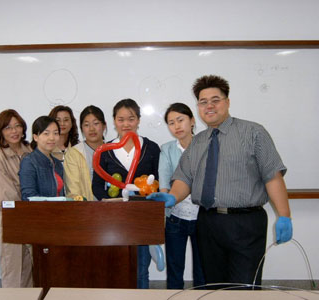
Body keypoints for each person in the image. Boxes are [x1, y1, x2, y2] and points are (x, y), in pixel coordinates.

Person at [148, 75, 292, 288]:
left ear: (227, 102)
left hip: (246, 223)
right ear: (198, 107)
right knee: (214, 288)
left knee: (244, 287)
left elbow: (272, 176)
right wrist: (171, 197)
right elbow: (184, 178)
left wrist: (284, 216)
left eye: (215, 99)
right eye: (203, 102)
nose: (209, 106)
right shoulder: (197, 142)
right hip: (208, 224)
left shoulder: (253, 132)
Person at [92, 98, 160, 289]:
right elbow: (97, 186)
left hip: (142, 219)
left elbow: (158, 182)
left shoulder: (152, 148)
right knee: (115, 267)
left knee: (141, 269)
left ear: (138, 120)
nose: (126, 124)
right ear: (114, 121)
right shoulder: (105, 151)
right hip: (114, 219)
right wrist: (108, 201)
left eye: (131, 119)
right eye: (121, 119)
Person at [159, 103, 204, 289]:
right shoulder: (167, 149)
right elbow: (164, 184)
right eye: (171, 123)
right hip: (175, 217)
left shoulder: (206, 145)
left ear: (192, 121)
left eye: (180, 120)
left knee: (202, 271)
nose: (177, 126)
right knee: (175, 270)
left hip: (203, 217)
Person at [0, 109, 33, 287]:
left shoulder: (30, 151)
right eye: (8, 128)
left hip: (33, 217)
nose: (14, 131)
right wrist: (31, 199)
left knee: (31, 269)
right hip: (11, 217)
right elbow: (6, 193)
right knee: (13, 269)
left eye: (17, 126)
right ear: (1, 132)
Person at [64, 105, 106, 201]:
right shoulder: (74, 153)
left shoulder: (113, 151)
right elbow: (73, 190)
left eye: (96, 123)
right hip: (84, 210)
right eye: (86, 125)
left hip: (112, 209)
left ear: (104, 125)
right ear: (82, 128)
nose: (91, 129)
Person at [19, 116, 64, 200]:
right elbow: (28, 196)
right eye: (46, 133)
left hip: (59, 211)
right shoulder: (29, 162)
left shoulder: (58, 164)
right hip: (39, 212)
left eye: (55, 133)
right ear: (35, 137)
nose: (52, 138)